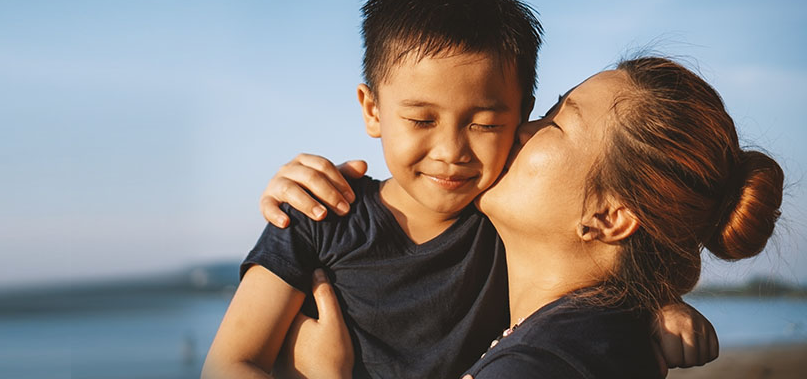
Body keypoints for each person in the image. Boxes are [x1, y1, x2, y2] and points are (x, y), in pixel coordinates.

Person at [202, 0, 715, 378]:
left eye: (485, 124)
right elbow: (230, 363)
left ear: (521, 116)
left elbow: (588, 276)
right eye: (421, 120)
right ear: (372, 108)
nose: (450, 152)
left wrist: (657, 305)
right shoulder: (318, 213)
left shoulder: (505, 224)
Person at [262, 57, 783, 377]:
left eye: (556, 123)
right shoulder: (593, 336)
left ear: (609, 216)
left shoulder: (546, 363)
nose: (519, 128)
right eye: (548, 108)